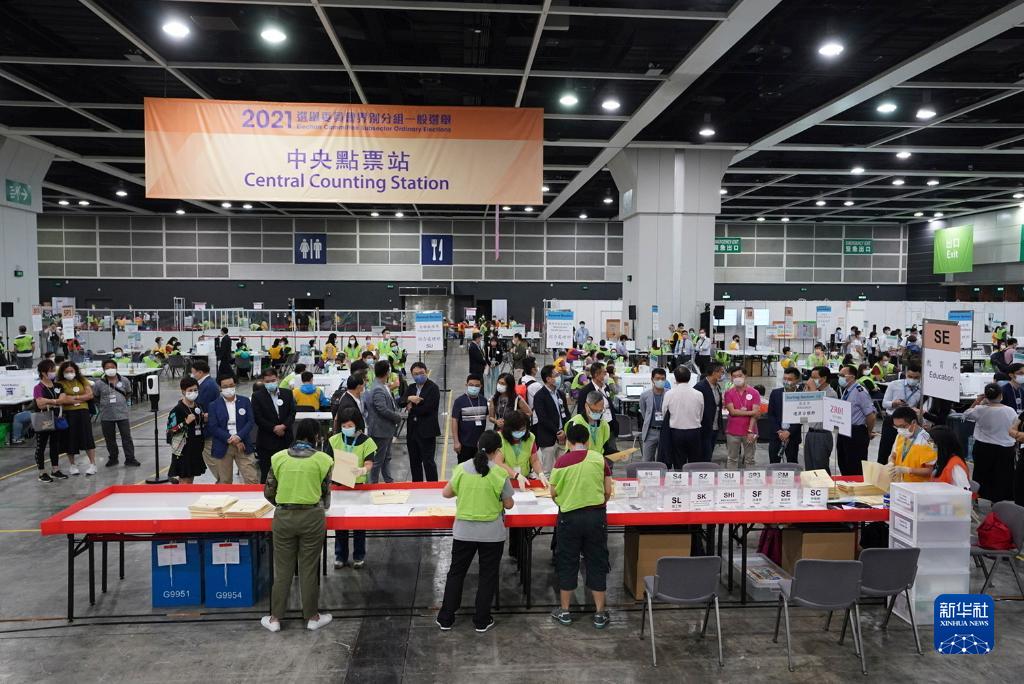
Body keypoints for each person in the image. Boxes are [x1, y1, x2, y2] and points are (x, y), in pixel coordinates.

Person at [436, 430, 514, 632]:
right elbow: (509, 504)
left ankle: (446, 618)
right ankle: (481, 620)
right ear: (497, 451)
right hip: (491, 534)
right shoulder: (499, 473)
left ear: (478, 446)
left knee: (456, 573)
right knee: (487, 575)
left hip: (464, 531)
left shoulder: (462, 468)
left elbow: (446, 493)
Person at [262, 418, 333, 633]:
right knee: (308, 568)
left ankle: (275, 618)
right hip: (312, 517)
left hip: (284, 517)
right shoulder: (324, 460)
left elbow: (269, 491)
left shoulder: (278, 458)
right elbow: (325, 495)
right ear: (317, 437)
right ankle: (312, 617)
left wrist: (284, 503)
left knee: (283, 569)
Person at [549, 423, 613, 629]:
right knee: (597, 561)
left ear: (568, 441)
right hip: (595, 517)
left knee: (567, 561)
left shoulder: (561, 462)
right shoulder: (599, 459)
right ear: (588, 441)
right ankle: (600, 613)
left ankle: (565, 611)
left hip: (569, 518)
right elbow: (608, 490)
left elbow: (553, 493)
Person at [328, 408, 376, 569]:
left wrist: (363, 470)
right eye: (344, 426)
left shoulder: (367, 442)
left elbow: (369, 463)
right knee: (340, 523)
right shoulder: (334, 440)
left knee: (359, 523)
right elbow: (326, 461)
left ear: (357, 424)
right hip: (339, 486)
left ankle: (358, 556)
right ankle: (340, 556)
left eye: (350, 425)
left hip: (359, 488)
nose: (346, 428)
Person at [963, 384, 1017, 502]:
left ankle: (978, 498)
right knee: (1003, 476)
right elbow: (1015, 426)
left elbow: (965, 414)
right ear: (1001, 395)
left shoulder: (980, 409)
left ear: (986, 396)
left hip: (983, 447)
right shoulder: (1010, 411)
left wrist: (978, 401)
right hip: (1005, 449)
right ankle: (1000, 501)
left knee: (981, 474)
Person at [205, 375, 259, 484]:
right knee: (225, 481)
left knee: (252, 479)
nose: (228, 388)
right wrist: (231, 439)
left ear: (235, 385)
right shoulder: (213, 405)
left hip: (243, 444)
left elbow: (250, 421)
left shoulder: (245, 401)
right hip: (223, 445)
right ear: (220, 388)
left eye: (231, 385)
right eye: (225, 386)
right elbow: (213, 427)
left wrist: (238, 437)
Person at [252, 368, 297, 483]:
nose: (271, 383)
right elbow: (258, 418)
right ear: (263, 381)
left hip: (285, 439)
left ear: (277, 378)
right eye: (267, 381)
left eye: (273, 380)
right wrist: (274, 428)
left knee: (286, 472)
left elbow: (292, 413)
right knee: (266, 474)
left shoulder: (287, 393)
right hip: (267, 441)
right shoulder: (257, 396)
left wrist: (283, 426)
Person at [92, 359, 139, 467]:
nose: (110, 369)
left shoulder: (124, 380)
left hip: (122, 414)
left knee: (126, 437)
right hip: (106, 415)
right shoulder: (99, 384)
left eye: (112, 367)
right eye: (107, 368)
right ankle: (113, 458)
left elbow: (128, 393)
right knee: (109, 439)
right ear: (103, 369)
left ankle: (130, 458)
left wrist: (121, 402)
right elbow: (96, 397)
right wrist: (103, 405)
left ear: (116, 368)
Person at [364, 360, 403, 483]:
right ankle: (373, 484)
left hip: (386, 429)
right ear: (387, 372)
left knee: (386, 457)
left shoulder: (382, 386)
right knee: (378, 460)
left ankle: (388, 481)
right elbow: (382, 409)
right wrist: (397, 417)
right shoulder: (378, 389)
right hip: (380, 430)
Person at [402, 362, 441, 482]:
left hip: (427, 432)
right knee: (414, 462)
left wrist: (411, 408)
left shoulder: (433, 388)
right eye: (416, 374)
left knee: (428, 462)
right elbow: (400, 402)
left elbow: (428, 408)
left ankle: (432, 487)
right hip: (412, 432)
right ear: (412, 375)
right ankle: (417, 486)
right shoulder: (411, 388)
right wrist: (409, 398)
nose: (419, 375)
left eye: (421, 373)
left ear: (426, 372)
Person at [878, 362, 923, 464]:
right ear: (906, 374)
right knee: (885, 451)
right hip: (891, 420)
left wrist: (915, 410)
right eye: (910, 376)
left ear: (920, 377)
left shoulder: (921, 389)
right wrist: (894, 403)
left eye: (916, 377)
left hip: (907, 424)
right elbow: (884, 404)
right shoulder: (894, 384)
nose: (912, 379)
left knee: (903, 452)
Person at [56, 361, 96, 476]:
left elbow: (90, 395)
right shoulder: (59, 384)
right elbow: (63, 400)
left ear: (75, 371)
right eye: (67, 371)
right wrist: (81, 398)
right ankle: (72, 465)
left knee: (87, 437)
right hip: (68, 413)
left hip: (83, 412)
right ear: (62, 372)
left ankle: (93, 464)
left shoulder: (82, 380)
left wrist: (74, 398)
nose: (69, 373)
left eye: (71, 371)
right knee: (70, 439)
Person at [661, 366, 705, 468]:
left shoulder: (669, 394)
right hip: (694, 431)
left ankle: (680, 477)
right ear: (689, 378)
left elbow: (664, 413)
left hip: (676, 432)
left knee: (678, 461)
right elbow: (701, 413)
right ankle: (693, 477)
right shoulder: (698, 394)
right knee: (695, 462)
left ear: (675, 378)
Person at [836, 365, 876, 476]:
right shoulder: (847, 390)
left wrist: (868, 432)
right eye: (839, 375)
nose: (840, 378)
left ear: (852, 377)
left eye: (842, 375)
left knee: (855, 466)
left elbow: (871, 415)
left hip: (856, 431)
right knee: (843, 462)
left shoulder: (860, 391)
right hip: (844, 430)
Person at [31, 360, 68, 482]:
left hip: (56, 417)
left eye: (54, 370)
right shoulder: (38, 387)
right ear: (43, 372)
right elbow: (40, 404)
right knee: (41, 445)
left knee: (55, 444)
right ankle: (42, 472)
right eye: (51, 370)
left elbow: (63, 399)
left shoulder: (58, 386)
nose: (53, 373)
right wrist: (56, 402)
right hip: (43, 418)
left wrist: (49, 401)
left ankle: (55, 469)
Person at [166, 377, 208, 484]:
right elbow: (169, 432)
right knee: (185, 480)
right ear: (183, 391)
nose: (193, 393)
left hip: (196, 449)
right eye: (190, 390)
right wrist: (185, 423)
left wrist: (204, 419)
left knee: (190, 479)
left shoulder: (198, 407)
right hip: (183, 451)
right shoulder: (177, 410)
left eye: (195, 390)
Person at [533, 364, 570, 473]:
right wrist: (557, 432)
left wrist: (565, 430)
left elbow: (566, 413)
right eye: (556, 375)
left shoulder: (560, 394)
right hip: (548, 438)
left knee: (563, 469)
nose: (559, 377)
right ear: (548, 379)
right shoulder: (539, 396)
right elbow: (543, 418)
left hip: (563, 438)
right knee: (547, 470)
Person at [723, 367, 760, 469]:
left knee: (750, 459)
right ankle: (732, 478)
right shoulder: (728, 393)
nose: (737, 378)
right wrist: (751, 412)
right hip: (733, 431)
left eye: (740, 375)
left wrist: (750, 430)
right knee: (732, 458)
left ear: (745, 376)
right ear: (731, 378)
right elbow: (732, 412)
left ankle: (750, 478)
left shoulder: (754, 392)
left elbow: (755, 415)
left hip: (750, 431)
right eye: (734, 376)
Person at [887, 406, 936, 483]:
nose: (900, 430)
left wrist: (908, 470)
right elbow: (893, 455)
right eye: (897, 427)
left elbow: (930, 470)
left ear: (914, 422)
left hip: (917, 485)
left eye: (903, 426)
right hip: (899, 482)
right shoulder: (900, 435)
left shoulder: (927, 441)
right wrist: (891, 462)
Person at [803, 366, 838, 471]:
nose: (811, 380)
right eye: (811, 377)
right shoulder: (814, 391)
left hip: (822, 434)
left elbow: (821, 411)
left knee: (820, 468)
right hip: (810, 432)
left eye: (815, 378)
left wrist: (813, 391)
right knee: (809, 467)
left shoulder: (831, 394)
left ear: (824, 378)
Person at [768, 367, 802, 464]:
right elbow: (771, 414)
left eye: (790, 379)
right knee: (774, 463)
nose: (786, 381)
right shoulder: (775, 393)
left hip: (793, 436)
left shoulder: (801, 395)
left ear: (797, 380)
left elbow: (802, 418)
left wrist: (789, 432)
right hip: (776, 435)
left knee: (792, 463)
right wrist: (779, 431)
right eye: (785, 378)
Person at [451, 374, 488, 464]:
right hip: (464, 444)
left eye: (477, 385)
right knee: (464, 468)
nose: (474, 387)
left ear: (481, 386)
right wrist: (456, 441)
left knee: (479, 468)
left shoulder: (483, 400)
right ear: (466, 385)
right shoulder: (459, 401)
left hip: (480, 444)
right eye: (471, 385)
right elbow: (454, 421)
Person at [564, 391, 613, 457]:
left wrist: (620, 454)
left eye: (601, 411)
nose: (597, 413)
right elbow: (571, 453)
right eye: (594, 410)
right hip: (582, 462)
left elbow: (605, 448)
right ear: (586, 406)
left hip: (597, 461)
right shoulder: (575, 423)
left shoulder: (604, 425)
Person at [694, 362, 725, 462]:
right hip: (704, 427)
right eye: (721, 372)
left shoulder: (717, 386)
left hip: (715, 426)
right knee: (704, 456)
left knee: (709, 454)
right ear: (714, 372)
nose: (722, 375)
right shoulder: (700, 387)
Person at [927, 426, 971, 493]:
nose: (928, 446)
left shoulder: (955, 467)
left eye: (932, 443)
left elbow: (964, 494)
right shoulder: (940, 461)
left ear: (942, 445)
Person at [638, 368, 668, 462]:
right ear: (652, 379)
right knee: (647, 460)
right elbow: (644, 412)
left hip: (665, 431)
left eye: (662, 379)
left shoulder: (669, 394)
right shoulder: (644, 395)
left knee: (663, 460)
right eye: (657, 378)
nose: (660, 381)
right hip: (650, 431)